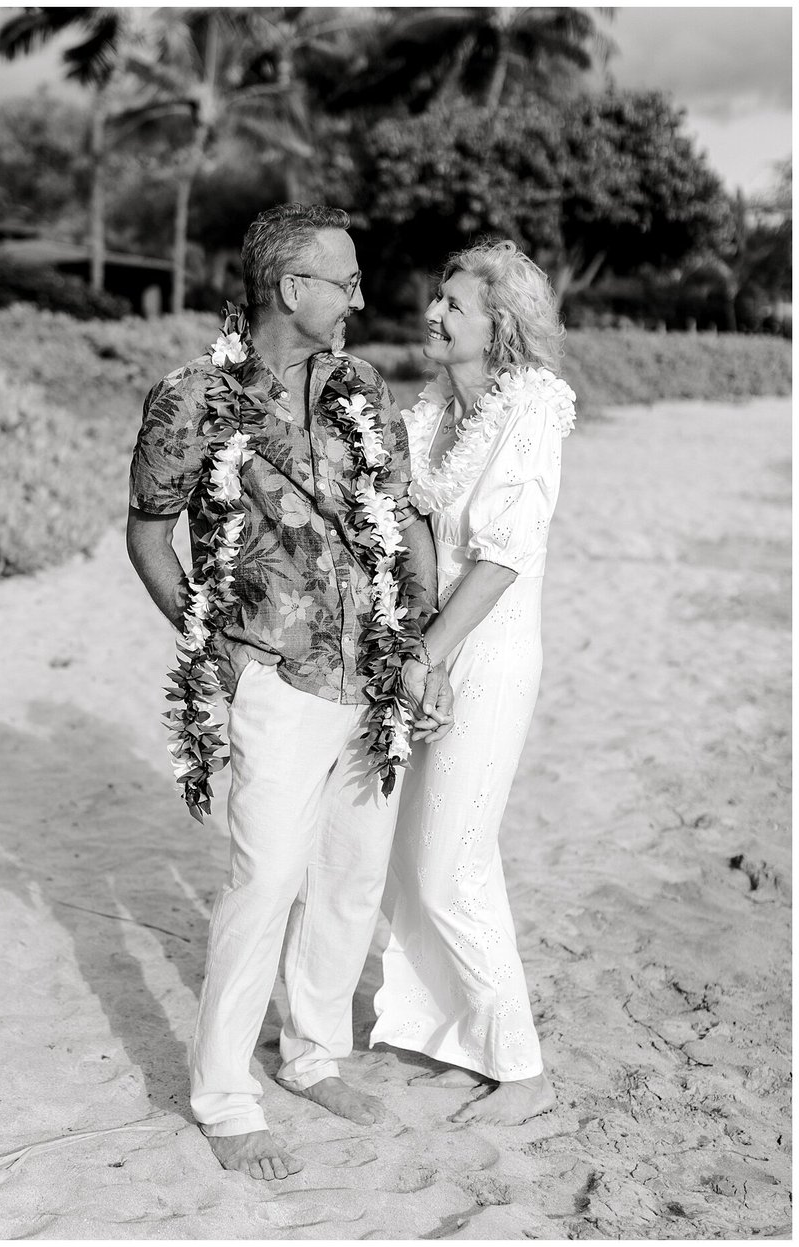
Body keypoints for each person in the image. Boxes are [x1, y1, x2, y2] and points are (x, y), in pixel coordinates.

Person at [126, 203, 453, 1182]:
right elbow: (148, 535)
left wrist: (422, 642)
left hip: (373, 672)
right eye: (342, 279)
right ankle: (224, 1094)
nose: (359, 296)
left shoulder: (359, 386)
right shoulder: (193, 396)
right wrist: (209, 644)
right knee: (263, 878)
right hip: (273, 671)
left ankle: (311, 1052)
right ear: (288, 289)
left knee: (350, 876)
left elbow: (401, 518)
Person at [371, 239, 576, 1126]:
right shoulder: (430, 414)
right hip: (434, 643)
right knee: (413, 855)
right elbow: (414, 531)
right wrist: (411, 642)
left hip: (487, 653)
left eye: (454, 304)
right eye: (437, 300)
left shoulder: (531, 406)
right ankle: (443, 1035)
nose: (434, 315)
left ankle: (522, 1071)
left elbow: (502, 557)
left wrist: (432, 656)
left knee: (452, 862)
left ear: (502, 325)